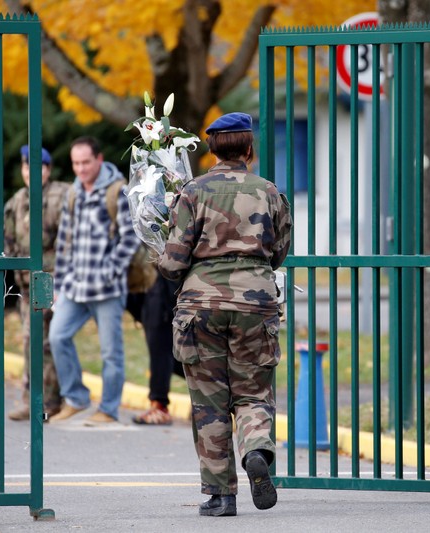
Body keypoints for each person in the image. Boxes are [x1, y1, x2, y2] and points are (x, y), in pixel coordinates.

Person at [158, 112, 292, 517]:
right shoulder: (269, 192)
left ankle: (221, 496)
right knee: (253, 391)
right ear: (249, 149)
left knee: (209, 401)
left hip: (201, 305)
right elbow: (281, 249)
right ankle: (255, 450)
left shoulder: (193, 192)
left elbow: (172, 261)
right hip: (256, 303)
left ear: (212, 149)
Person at [48, 136, 140, 426]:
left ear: (99, 159)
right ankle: (76, 397)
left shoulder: (117, 191)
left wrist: (110, 270)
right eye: (76, 163)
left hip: (107, 289)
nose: (81, 168)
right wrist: (59, 284)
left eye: (86, 162)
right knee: (57, 336)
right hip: (75, 286)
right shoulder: (73, 193)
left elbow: (131, 237)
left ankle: (109, 409)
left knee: (111, 353)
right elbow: (65, 241)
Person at [0, 144, 69, 422]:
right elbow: (5, 241)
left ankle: (46, 401)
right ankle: (37, 399)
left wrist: (62, 281)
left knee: (41, 341)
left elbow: (70, 240)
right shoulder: (17, 201)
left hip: (50, 281)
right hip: (26, 286)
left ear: (47, 170)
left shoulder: (61, 197)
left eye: (36, 167)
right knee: (33, 342)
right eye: (25, 167)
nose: (30, 172)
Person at [132, 273, 185, 425]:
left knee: (162, 352)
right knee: (166, 354)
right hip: (152, 284)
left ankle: (159, 406)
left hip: (166, 287)